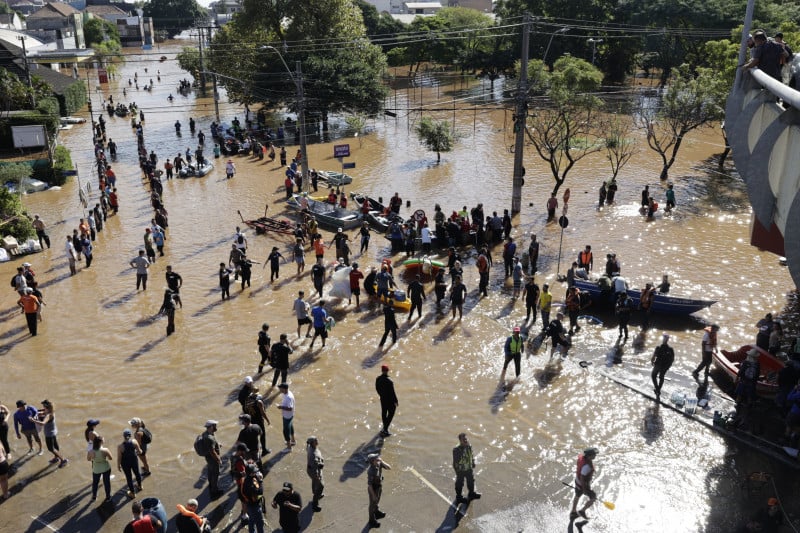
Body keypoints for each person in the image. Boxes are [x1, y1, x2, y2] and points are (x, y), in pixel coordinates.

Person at [31, 399, 67, 468]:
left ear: (46, 406)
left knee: (51, 448)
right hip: (54, 432)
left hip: (49, 434)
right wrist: (38, 413)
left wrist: (33, 420)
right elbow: (41, 412)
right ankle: (56, 457)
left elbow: (42, 423)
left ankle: (63, 460)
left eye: (43, 406)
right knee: (55, 446)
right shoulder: (51, 411)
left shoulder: (48, 415)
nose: (42, 407)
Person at [452, 432, 481, 504]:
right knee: (459, 484)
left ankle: (471, 494)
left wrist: (473, 462)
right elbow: (455, 463)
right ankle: (459, 498)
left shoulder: (469, 446)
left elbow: (471, 454)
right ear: (460, 440)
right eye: (463, 439)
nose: (465, 440)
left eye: (466, 438)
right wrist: (457, 472)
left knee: (471, 481)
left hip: (468, 468)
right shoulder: (456, 450)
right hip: (460, 470)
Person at [571, 447, 598, 520]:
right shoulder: (587, 467)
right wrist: (585, 489)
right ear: (589, 456)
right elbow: (583, 478)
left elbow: (578, 465)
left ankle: (573, 511)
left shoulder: (581, 458)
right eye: (594, 454)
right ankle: (582, 511)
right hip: (582, 484)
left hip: (577, 481)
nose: (595, 455)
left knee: (577, 495)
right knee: (593, 497)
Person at [367, 453, 391, 527]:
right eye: (376, 458)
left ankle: (376, 512)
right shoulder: (370, 471)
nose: (378, 459)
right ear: (372, 461)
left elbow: (389, 468)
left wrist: (382, 461)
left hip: (379, 486)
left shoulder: (379, 463)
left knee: (377, 501)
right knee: (372, 504)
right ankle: (371, 520)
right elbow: (369, 485)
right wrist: (373, 495)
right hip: (373, 488)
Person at [117, 429, 142, 498]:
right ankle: (140, 486)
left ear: (123, 436)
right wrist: (137, 453)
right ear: (130, 435)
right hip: (134, 460)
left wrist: (118, 466)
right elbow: (140, 451)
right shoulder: (134, 442)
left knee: (129, 477)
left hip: (125, 463)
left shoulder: (120, 446)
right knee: (137, 473)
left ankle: (132, 493)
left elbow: (119, 458)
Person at [240, 464, 265, 533]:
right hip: (255, 506)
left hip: (249, 504)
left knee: (251, 520)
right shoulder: (251, 485)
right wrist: (260, 481)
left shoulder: (245, 479)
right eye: (254, 472)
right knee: (260, 523)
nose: (256, 473)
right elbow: (260, 492)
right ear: (251, 473)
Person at [201, 420, 223, 497]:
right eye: (214, 426)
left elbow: (210, 447)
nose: (216, 427)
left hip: (208, 458)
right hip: (213, 459)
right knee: (215, 474)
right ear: (210, 427)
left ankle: (211, 485)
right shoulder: (210, 438)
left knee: (210, 471)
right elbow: (212, 451)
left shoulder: (205, 434)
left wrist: (217, 445)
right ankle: (215, 491)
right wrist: (218, 460)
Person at [88, 436, 113, 501]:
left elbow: (88, 459)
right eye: (103, 440)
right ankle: (108, 497)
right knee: (106, 482)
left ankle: (94, 497)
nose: (104, 440)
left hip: (96, 469)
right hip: (105, 468)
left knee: (95, 483)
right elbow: (111, 458)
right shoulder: (105, 450)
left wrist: (95, 459)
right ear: (100, 442)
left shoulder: (91, 451)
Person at [375, 365, 398, 437]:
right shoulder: (389, 382)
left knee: (384, 413)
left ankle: (384, 428)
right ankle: (385, 429)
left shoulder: (378, 379)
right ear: (387, 371)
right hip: (390, 400)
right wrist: (396, 401)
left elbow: (377, 389)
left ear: (382, 371)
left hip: (383, 399)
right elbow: (392, 393)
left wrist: (381, 395)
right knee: (391, 413)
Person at [306, 437, 324, 512]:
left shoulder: (309, 447)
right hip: (314, 471)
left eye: (316, 440)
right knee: (321, 486)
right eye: (315, 441)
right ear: (312, 443)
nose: (317, 441)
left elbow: (306, 446)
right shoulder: (313, 454)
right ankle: (315, 504)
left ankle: (315, 493)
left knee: (314, 482)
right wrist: (317, 475)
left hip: (311, 470)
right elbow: (313, 465)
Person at [276, 383, 296, 450]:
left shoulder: (288, 397)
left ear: (284, 389)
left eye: (280, 388)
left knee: (285, 431)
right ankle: (293, 441)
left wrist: (281, 407)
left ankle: (289, 447)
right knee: (291, 427)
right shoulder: (287, 393)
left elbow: (290, 408)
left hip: (287, 416)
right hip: (290, 415)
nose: (279, 389)